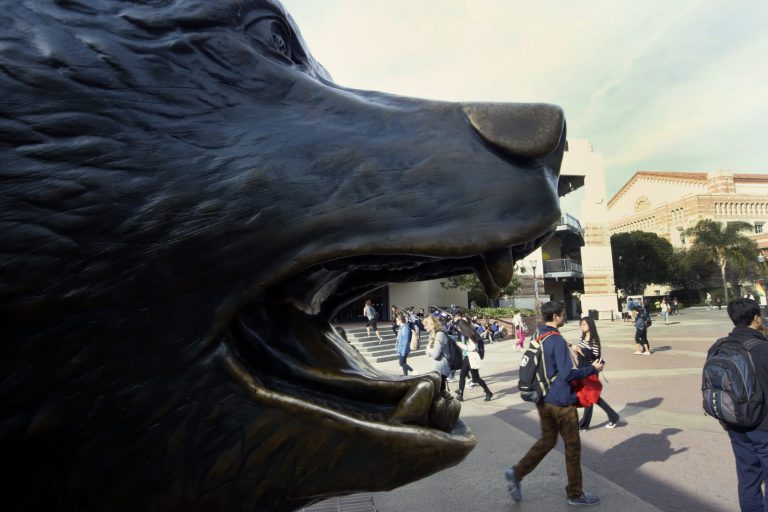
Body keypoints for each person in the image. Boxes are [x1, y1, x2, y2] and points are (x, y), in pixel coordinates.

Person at [504, 301, 604, 506]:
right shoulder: (556, 340)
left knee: (547, 441)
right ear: (557, 316)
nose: (566, 317)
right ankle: (575, 493)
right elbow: (567, 374)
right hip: (561, 402)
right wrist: (593, 369)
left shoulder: (538, 334)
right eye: (564, 313)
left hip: (542, 399)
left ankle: (516, 472)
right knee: (573, 447)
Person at [718, 298, 768, 512]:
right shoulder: (763, 349)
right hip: (764, 424)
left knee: (748, 477)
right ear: (757, 318)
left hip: (735, 422)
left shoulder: (720, 346)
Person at [577, 316, 620, 430]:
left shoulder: (594, 340)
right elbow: (580, 355)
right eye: (581, 324)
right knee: (591, 397)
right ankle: (612, 416)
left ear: (590, 325)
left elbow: (594, 358)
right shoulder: (582, 338)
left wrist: (579, 350)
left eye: (584, 324)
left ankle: (585, 424)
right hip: (582, 370)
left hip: (590, 371)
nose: (582, 327)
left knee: (590, 397)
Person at [454, 319, 493, 401]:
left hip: (473, 357)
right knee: (462, 375)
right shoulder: (467, 334)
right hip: (468, 357)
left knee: (476, 378)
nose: (458, 329)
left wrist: (460, 345)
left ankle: (488, 391)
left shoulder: (471, 334)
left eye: (459, 327)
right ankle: (460, 394)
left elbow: (472, 348)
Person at [423, 315, 451, 387]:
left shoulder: (439, 334)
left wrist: (429, 349)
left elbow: (435, 355)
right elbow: (427, 352)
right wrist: (430, 349)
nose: (424, 327)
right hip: (439, 368)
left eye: (426, 325)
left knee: (440, 391)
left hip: (442, 368)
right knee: (440, 391)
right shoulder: (433, 334)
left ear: (431, 324)